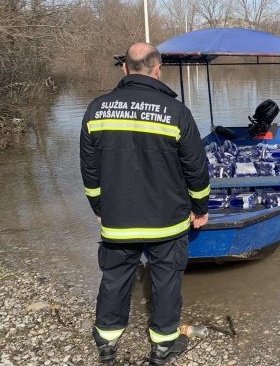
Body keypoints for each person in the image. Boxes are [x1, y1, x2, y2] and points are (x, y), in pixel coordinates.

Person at [80, 42, 210, 365]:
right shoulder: (176, 112)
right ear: (157, 71)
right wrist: (201, 207)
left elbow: (89, 170)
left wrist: (98, 208)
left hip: (118, 220)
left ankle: (107, 344)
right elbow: (197, 167)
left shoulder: (97, 110)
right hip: (166, 222)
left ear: (124, 69)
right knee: (166, 281)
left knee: (115, 279)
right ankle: (163, 347)